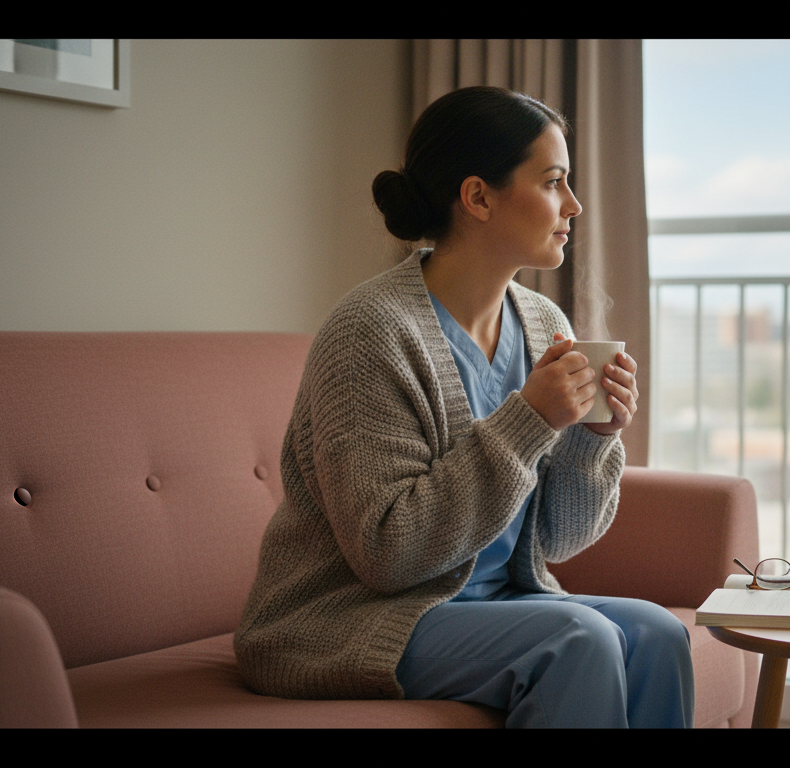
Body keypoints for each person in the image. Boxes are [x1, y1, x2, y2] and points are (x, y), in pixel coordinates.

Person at [233, 86, 694, 728]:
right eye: (554, 182)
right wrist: (529, 421)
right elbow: (388, 555)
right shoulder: (370, 332)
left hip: (497, 602)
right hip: (350, 617)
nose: (574, 205)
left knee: (657, 633)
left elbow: (557, 543)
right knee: (577, 639)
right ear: (478, 197)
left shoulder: (541, 322)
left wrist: (592, 437)